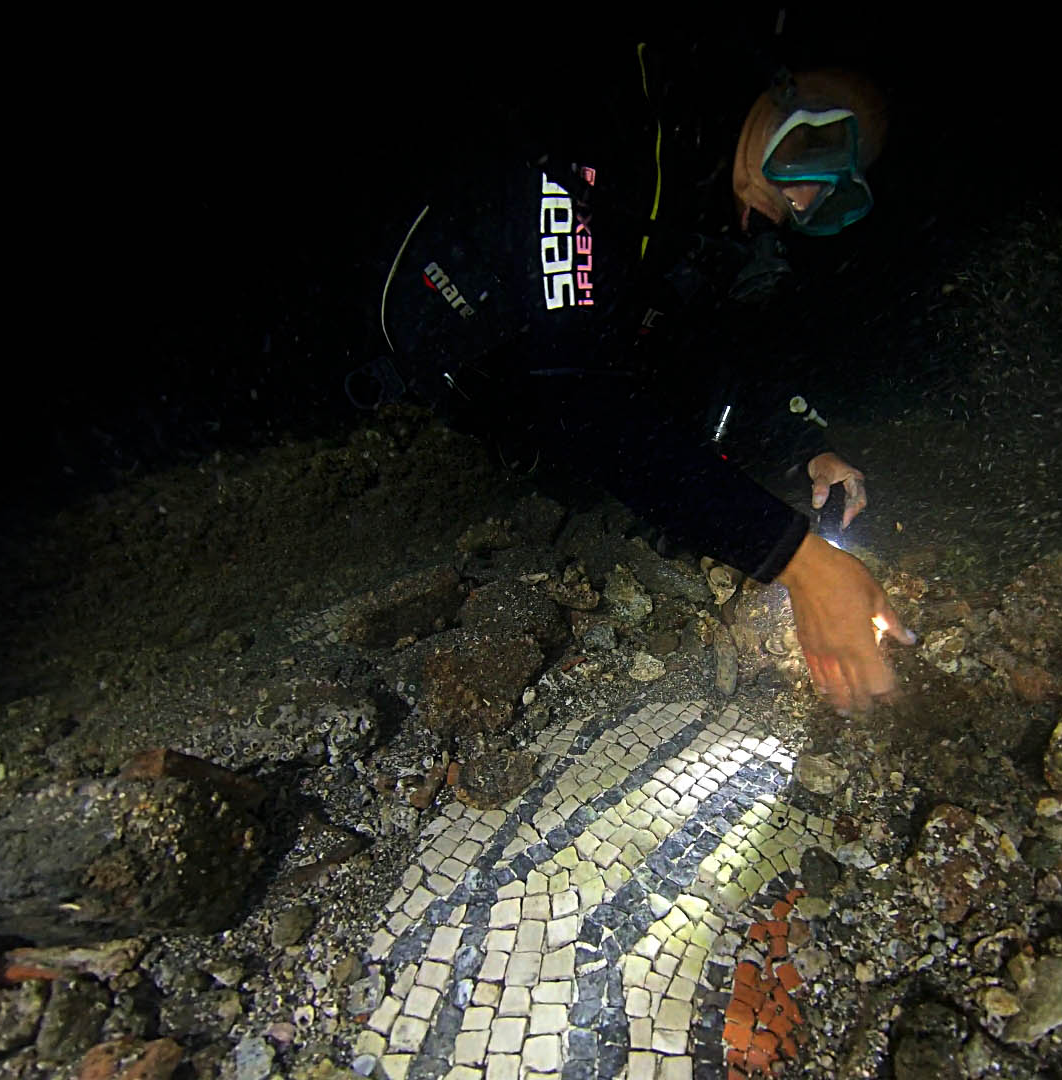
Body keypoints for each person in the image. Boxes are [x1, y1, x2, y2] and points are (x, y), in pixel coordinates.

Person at [363, 48, 916, 716]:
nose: (804, 196)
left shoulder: (716, 221)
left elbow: (718, 368)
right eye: (817, 147)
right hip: (475, 363)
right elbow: (586, 408)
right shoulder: (600, 143)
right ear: (773, 100)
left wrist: (805, 448)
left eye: (831, 190)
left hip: (573, 395)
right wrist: (798, 561)